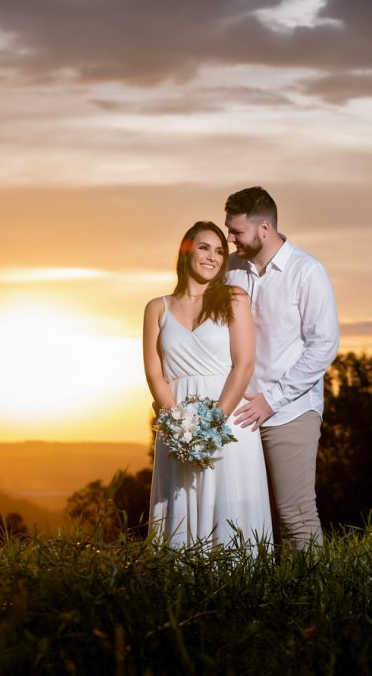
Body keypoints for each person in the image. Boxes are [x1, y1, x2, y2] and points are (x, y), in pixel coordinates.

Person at [143, 221, 272, 548]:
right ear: (186, 251)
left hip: (227, 421)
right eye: (204, 248)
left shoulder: (234, 298)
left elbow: (244, 364)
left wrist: (212, 424)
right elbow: (155, 374)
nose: (213, 257)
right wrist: (178, 426)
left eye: (219, 251)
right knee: (180, 513)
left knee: (229, 512)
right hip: (177, 427)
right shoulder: (156, 308)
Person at [223, 186, 339, 549]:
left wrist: (272, 400)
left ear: (264, 229)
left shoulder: (307, 271)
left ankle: (315, 587)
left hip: (290, 412)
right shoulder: (230, 269)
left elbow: (324, 345)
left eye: (236, 231)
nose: (230, 239)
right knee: (250, 517)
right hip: (238, 413)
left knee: (295, 515)